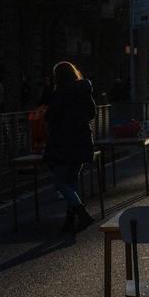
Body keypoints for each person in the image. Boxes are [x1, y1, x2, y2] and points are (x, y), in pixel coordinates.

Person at [44, 61, 98, 232]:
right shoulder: (84, 90)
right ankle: (71, 220)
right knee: (72, 181)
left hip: (64, 142)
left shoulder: (60, 93)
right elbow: (92, 112)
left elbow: (51, 116)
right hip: (81, 140)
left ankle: (82, 214)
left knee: (60, 182)